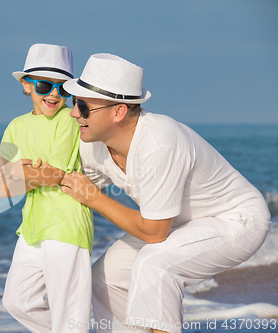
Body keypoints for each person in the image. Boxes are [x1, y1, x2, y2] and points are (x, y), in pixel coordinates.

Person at [58, 53, 270, 333]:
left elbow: (154, 232)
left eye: (83, 106)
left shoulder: (160, 144)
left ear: (118, 112)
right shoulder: (93, 142)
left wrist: (95, 198)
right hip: (178, 222)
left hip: (237, 220)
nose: (74, 113)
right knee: (104, 278)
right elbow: (76, 184)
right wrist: (23, 172)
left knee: (155, 265)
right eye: (74, 103)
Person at [0, 43, 94, 333]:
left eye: (63, 88)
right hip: (32, 227)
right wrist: (15, 174)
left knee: (68, 314)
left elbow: (53, 175)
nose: (55, 94)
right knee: (17, 302)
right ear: (26, 85)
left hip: (67, 223)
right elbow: (2, 190)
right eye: (45, 85)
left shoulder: (70, 122)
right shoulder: (16, 127)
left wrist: (14, 171)